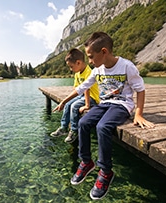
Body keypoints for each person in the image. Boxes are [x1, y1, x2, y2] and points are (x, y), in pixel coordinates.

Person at [53, 32, 155, 200]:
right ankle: (86, 162)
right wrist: (64, 101)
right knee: (84, 122)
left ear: (104, 51)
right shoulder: (97, 70)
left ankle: (106, 171)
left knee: (103, 126)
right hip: (104, 104)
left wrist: (139, 113)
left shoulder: (126, 66)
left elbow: (140, 89)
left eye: (91, 57)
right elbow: (81, 87)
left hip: (122, 105)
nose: (90, 62)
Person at [50, 48, 100, 143]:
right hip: (82, 96)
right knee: (68, 104)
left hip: (91, 98)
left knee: (74, 106)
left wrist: (87, 105)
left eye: (71, 67)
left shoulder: (89, 72)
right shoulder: (77, 73)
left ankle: (74, 130)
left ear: (78, 63)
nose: (70, 69)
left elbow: (86, 89)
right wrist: (67, 100)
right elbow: (76, 88)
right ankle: (64, 127)